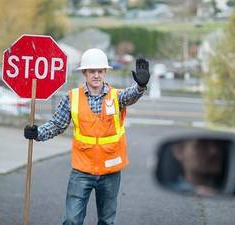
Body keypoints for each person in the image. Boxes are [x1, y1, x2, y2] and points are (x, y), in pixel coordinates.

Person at [24, 48, 150, 225]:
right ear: (84, 72)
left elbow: (131, 96)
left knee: (107, 221)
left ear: (105, 72)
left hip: (110, 171)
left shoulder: (116, 97)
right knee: (72, 220)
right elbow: (56, 124)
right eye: (92, 71)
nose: (96, 75)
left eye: (100, 71)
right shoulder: (72, 98)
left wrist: (140, 86)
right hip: (82, 170)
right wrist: (37, 133)